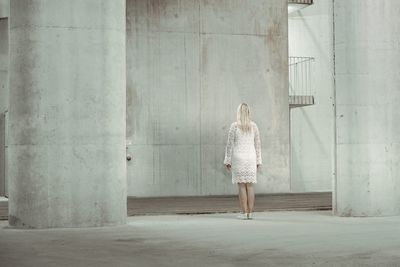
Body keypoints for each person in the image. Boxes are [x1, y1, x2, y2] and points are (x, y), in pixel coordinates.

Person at [224, 103, 262, 220]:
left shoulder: (234, 126)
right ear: (249, 112)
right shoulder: (254, 126)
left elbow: (229, 145)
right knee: (250, 186)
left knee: (241, 186)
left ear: (238, 113)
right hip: (251, 157)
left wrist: (227, 160)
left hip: (239, 157)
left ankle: (244, 213)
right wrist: (258, 160)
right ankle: (250, 213)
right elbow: (258, 145)